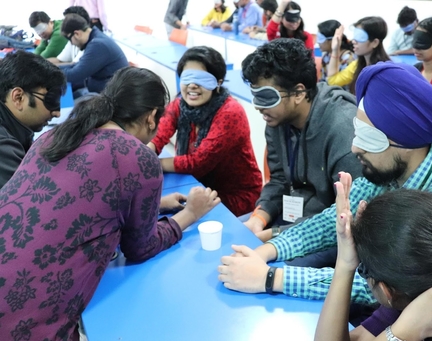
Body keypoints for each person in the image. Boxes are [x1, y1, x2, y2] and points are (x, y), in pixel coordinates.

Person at [217, 63, 432, 303]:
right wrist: (267, 250)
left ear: (406, 142)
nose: (354, 148)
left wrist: (271, 278)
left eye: (368, 137)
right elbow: (331, 222)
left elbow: (391, 289)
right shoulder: (389, 170)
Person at [0, 67, 220, 341]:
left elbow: (75, 201)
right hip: (28, 320)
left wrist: (156, 204)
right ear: (152, 117)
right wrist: (190, 213)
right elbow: (141, 248)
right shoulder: (137, 157)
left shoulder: (53, 137)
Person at [315, 176, 432, 341]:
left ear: (387, 292)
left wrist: (402, 332)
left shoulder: (413, 310)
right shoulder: (425, 288)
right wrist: (345, 263)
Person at [240, 39, 361, 246]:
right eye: (255, 96)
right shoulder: (277, 119)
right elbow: (278, 180)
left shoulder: (343, 129)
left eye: (266, 98)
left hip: (332, 232)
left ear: (298, 93)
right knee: (237, 236)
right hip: (291, 218)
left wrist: (276, 235)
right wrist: (260, 217)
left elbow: (349, 213)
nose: (258, 107)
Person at [148, 46, 261, 217]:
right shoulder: (180, 105)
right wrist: (147, 152)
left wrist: (156, 163)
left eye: (202, 79)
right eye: (187, 78)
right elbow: (157, 136)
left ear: (218, 83)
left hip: (235, 197)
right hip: (196, 186)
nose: (192, 85)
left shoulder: (230, 112)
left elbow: (198, 163)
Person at [0, 51, 65, 189]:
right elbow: (30, 199)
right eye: (50, 101)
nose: (57, 113)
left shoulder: (15, 128)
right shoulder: (4, 147)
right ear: (18, 98)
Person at [60, 14, 128, 98]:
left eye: (69, 39)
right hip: (103, 88)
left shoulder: (97, 45)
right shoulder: (95, 38)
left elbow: (74, 75)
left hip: (111, 96)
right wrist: (52, 68)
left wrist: (52, 72)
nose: (71, 43)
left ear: (77, 34)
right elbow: (76, 66)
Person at [327, 17, 390, 94]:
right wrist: (335, 50)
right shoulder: (356, 65)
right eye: (355, 36)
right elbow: (332, 81)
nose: (353, 41)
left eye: (360, 37)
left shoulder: (386, 71)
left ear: (375, 42)